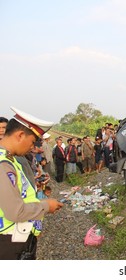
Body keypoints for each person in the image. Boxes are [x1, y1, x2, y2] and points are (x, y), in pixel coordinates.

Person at [0, 106, 63, 260]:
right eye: (32, 142)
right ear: (20, 135)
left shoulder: (10, 160)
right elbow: (15, 211)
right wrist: (46, 206)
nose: (32, 147)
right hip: (9, 243)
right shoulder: (3, 164)